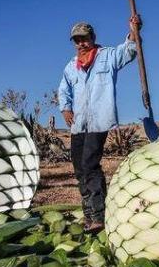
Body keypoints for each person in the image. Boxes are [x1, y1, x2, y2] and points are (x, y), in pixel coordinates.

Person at [57, 16, 142, 233]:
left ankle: (99, 215)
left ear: (92, 38)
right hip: (79, 125)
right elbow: (64, 89)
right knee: (79, 168)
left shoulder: (107, 56)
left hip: (99, 121)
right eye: (76, 41)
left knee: (89, 165)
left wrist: (134, 30)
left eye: (84, 39)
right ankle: (88, 215)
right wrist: (66, 109)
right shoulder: (70, 67)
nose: (80, 44)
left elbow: (129, 51)